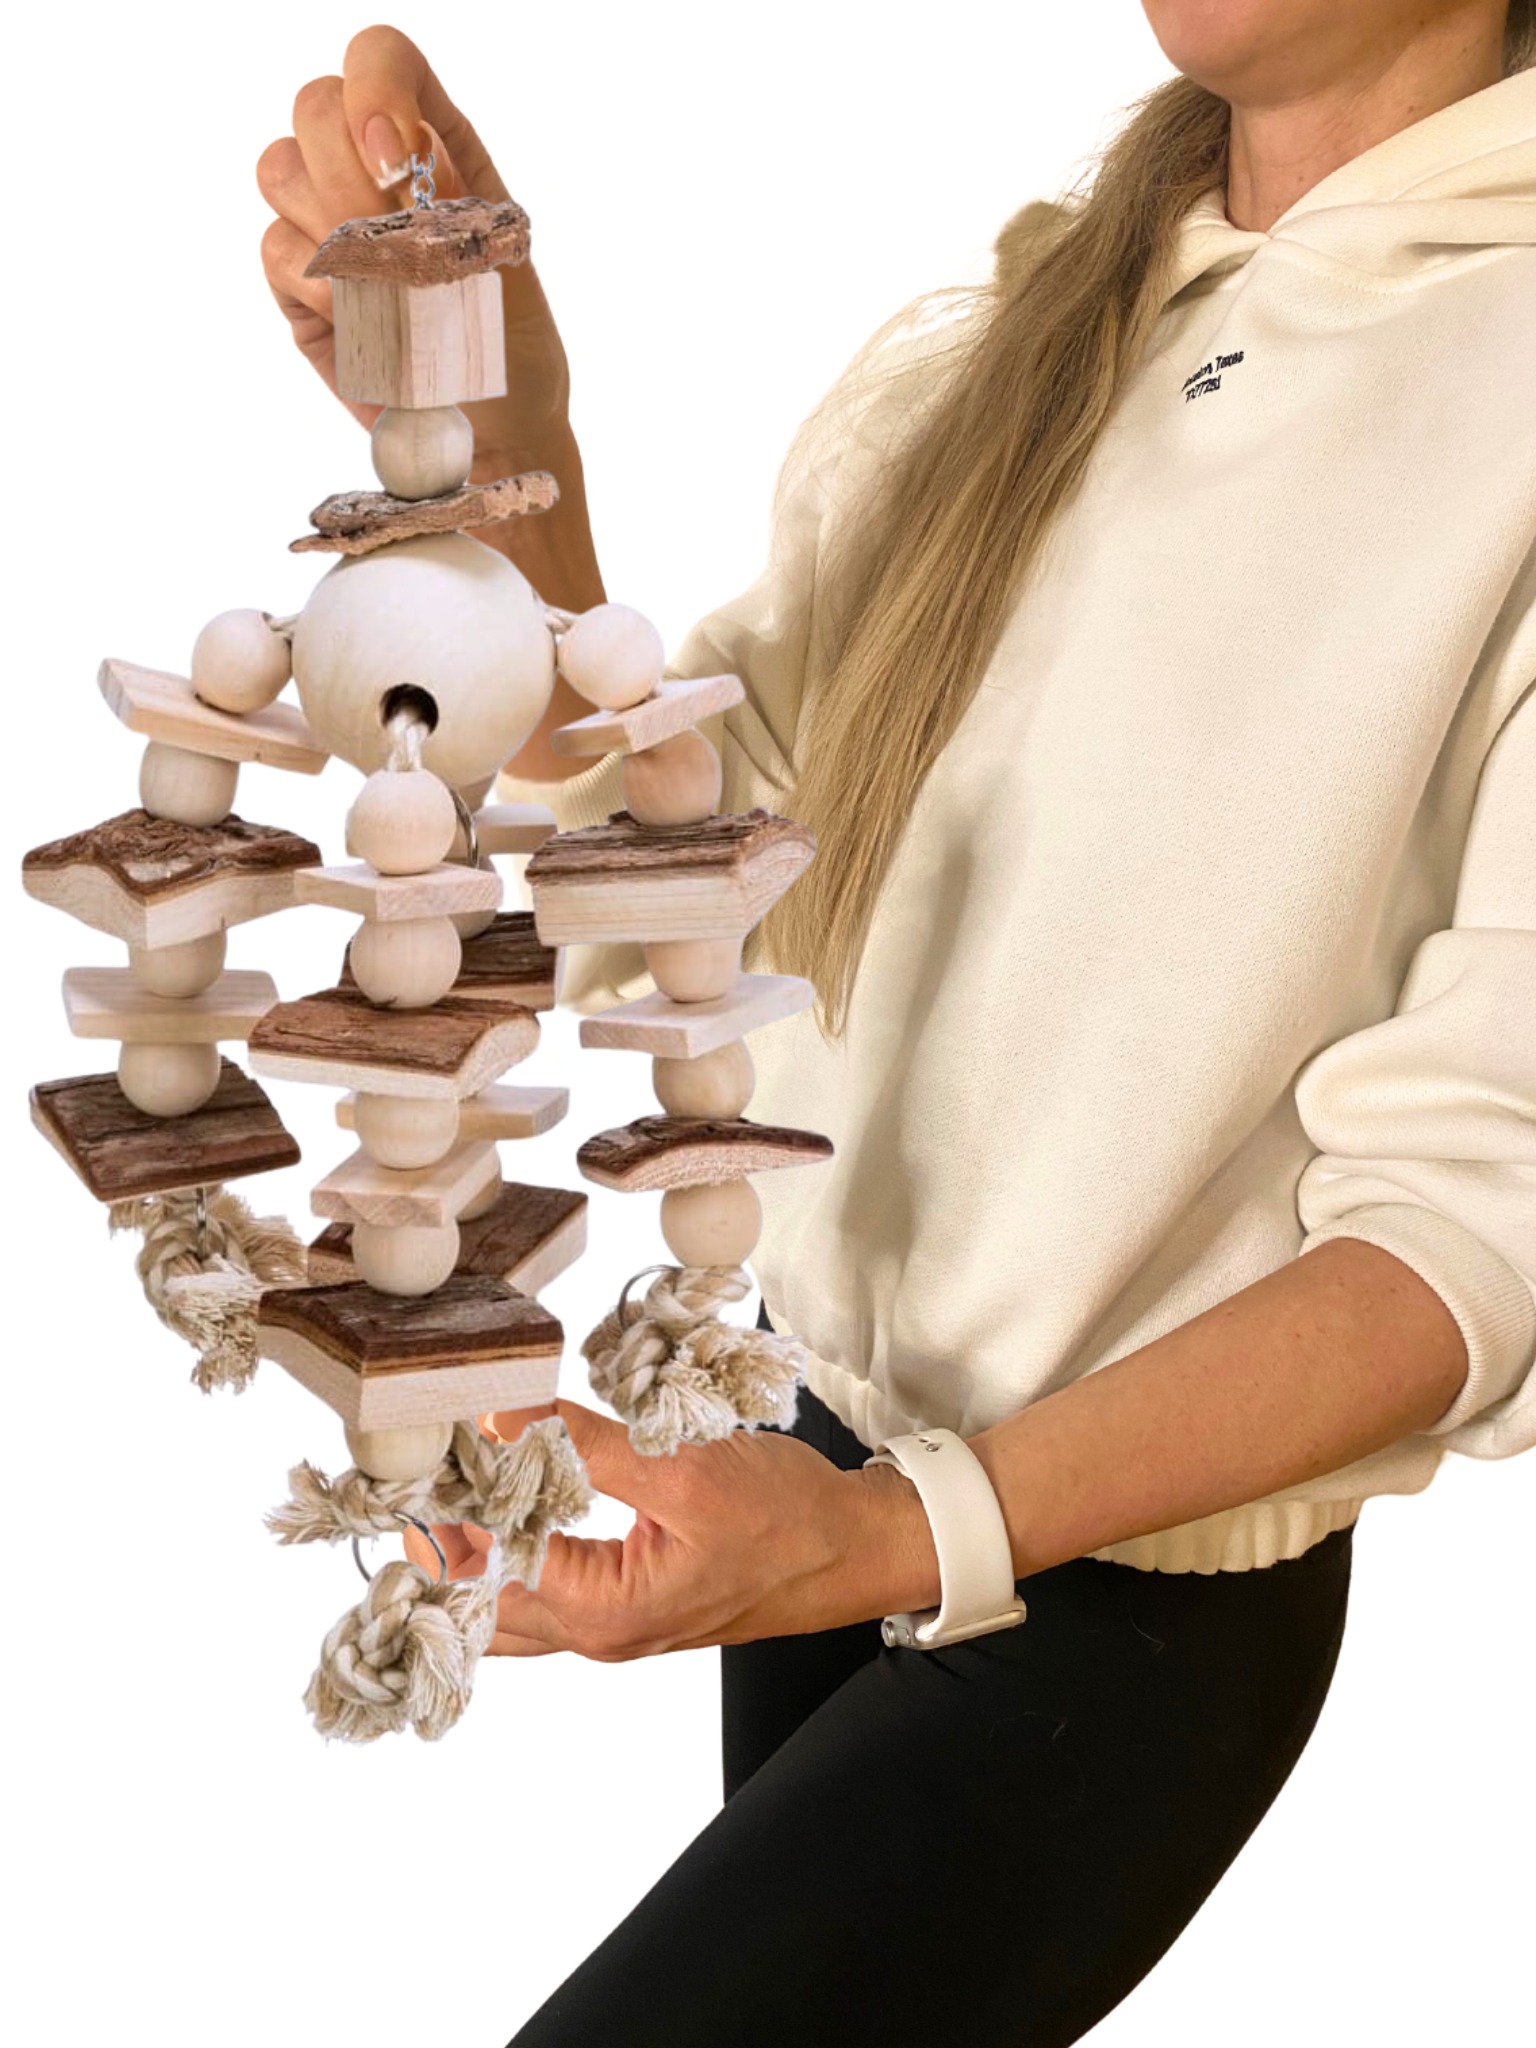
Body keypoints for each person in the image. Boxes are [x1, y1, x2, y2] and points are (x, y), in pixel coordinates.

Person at [258, 6, 1536, 2040]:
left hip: (1111, 1599)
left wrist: (902, 1532)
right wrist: (508, 451)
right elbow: (725, 853)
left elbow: (1478, 1231)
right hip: (811, 1445)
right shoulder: (1043, 314)